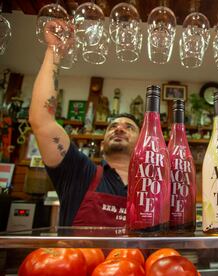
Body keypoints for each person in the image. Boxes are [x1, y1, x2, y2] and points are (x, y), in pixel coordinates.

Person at [29, 22, 140, 227]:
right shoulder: (79, 172)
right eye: (112, 126)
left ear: (142, 146)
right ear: (101, 144)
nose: (119, 128)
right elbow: (41, 120)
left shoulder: (151, 188)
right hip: (78, 261)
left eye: (129, 127)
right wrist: (55, 51)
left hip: (135, 261)